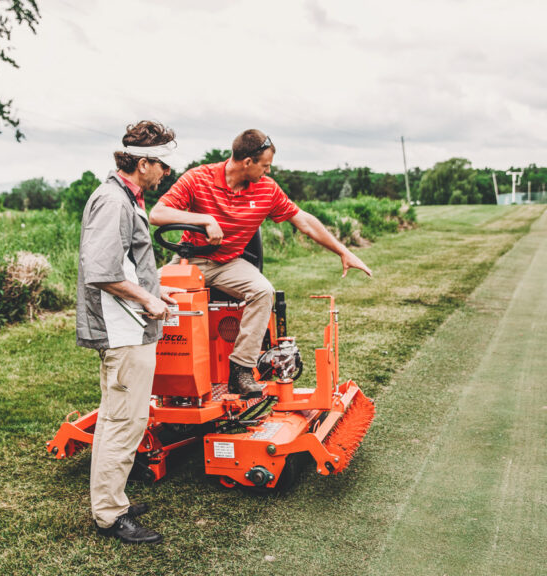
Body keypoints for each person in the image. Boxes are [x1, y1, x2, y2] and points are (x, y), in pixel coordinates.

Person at [149, 129, 373, 398]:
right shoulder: (199, 178)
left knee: (262, 291)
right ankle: (151, 367)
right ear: (247, 163)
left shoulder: (266, 190)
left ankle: (240, 370)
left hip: (228, 263)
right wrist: (205, 220)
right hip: (189, 260)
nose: (267, 172)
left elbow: (303, 221)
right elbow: (157, 214)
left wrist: (342, 251)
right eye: (265, 166)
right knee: (144, 291)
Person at [76, 120, 180, 545]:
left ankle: (110, 499)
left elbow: (125, 266)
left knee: (117, 419)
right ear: (142, 163)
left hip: (131, 326)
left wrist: (155, 290)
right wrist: (149, 301)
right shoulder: (114, 202)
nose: (167, 174)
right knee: (125, 422)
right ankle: (110, 514)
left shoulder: (126, 198)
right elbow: (100, 272)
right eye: (163, 166)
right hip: (124, 331)